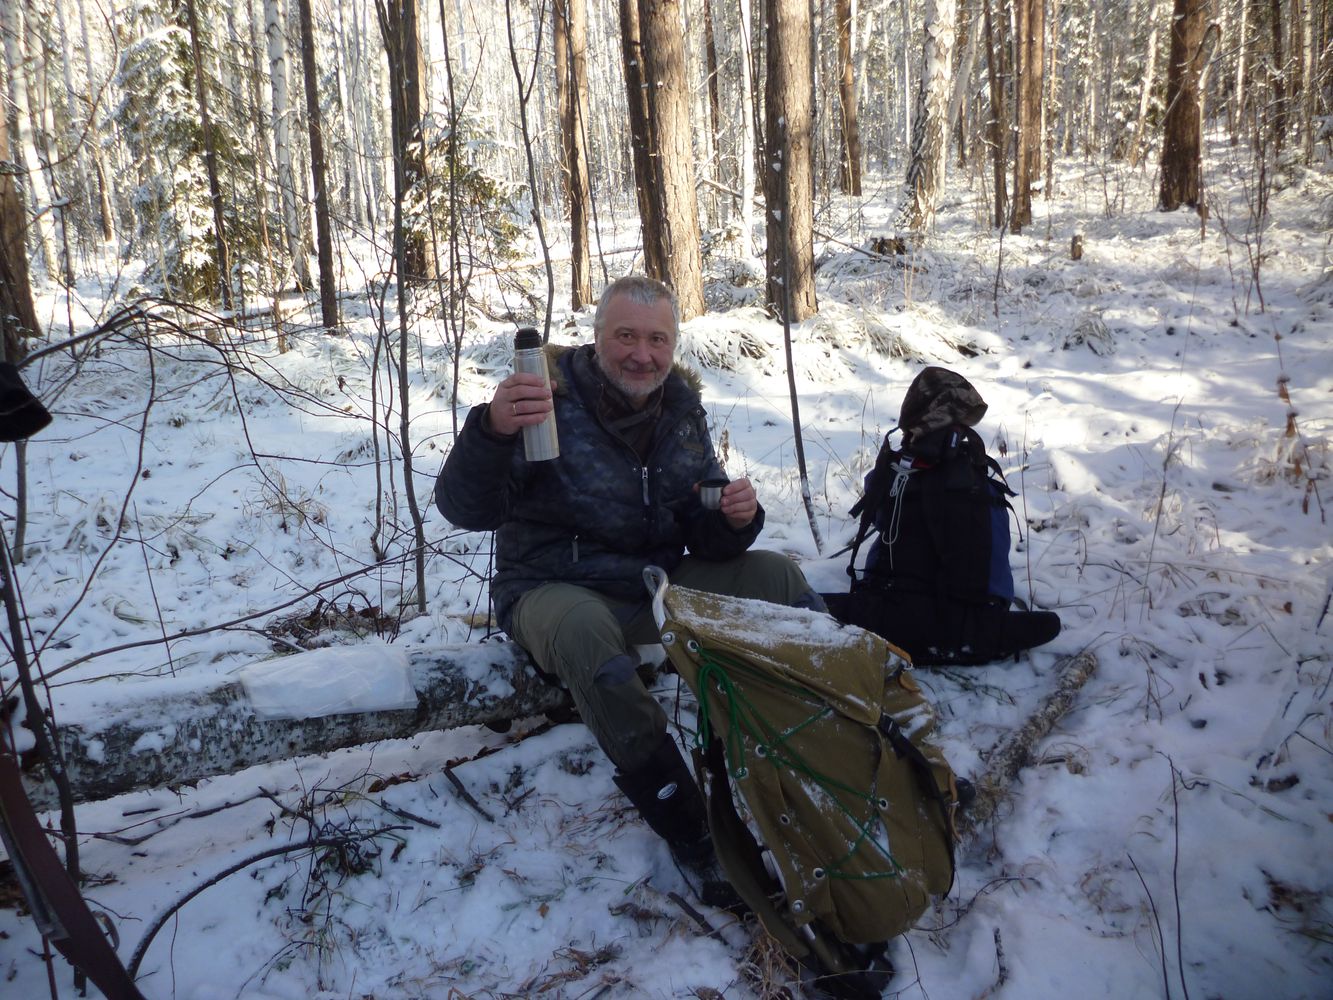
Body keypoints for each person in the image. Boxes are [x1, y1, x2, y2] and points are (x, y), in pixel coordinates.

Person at [434, 275, 825, 906]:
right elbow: (464, 509)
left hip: (653, 584)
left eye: (657, 340)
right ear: (596, 339)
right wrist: (491, 431)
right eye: (626, 336)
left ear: (673, 345)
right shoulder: (545, 401)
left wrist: (735, 519)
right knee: (588, 636)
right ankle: (691, 828)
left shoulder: (682, 412)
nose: (642, 354)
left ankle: (859, 724)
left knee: (776, 574)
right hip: (552, 586)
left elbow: (702, 530)